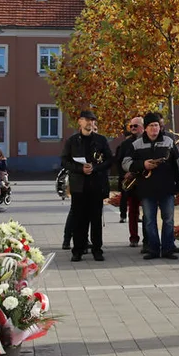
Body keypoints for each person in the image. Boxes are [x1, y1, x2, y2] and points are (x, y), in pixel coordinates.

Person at [123, 112, 179, 261]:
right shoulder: (136, 144)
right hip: (146, 188)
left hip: (166, 187)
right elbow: (125, 163)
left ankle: (168, 248)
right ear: (145, 128)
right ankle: (153, 248)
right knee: (149, 220)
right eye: (151, 126)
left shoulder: (169, 141)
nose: (154, 129)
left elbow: (178, 164)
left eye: (156, 125)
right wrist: (142, 165)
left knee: (168, 219)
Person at [61, 110, 113, 262]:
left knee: (96, 220)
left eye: (93, 120)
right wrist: (79, 169)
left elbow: (109, 160)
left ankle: (97, 249)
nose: (90, 123)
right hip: (78, 186)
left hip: (96, 185)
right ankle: (77, 250)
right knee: (79, 219)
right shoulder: (72, 141)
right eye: (87, 120)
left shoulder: (101, 140)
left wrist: (95, 168)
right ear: (80, 122)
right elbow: (64, 161)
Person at [117, 116, 144, 246]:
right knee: (133, 211)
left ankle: (148, 238)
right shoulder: (126, 144)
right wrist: (125, 173)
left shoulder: (147, 141)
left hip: (145, 181)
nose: (133, 128)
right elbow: (119, 161)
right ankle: (133, 237)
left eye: (135, 126)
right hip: (132, 183)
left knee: (148, 212)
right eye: (131, 126)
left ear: (142, 127)